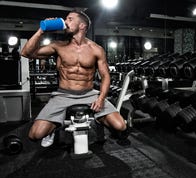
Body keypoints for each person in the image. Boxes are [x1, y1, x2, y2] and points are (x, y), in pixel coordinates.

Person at [21, 10, 128, 147]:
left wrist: (101, 99)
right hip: (63, 95)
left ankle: (99, 119)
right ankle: (53, 129)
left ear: (82, 26)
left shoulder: (96, 49)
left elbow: (106, 76)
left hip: (89, 94)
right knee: (35, 135)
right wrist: (41, 30)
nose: (65, 22)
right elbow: (26, 53)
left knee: (120, 126)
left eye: (70, 19)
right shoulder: (58, 46)